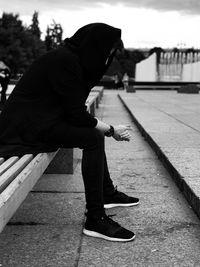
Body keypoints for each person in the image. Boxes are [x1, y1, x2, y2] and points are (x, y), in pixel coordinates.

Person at [0, 23, 139, 242]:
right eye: (107, 52)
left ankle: (106, 193)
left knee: (91, 133)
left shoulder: (72, 59)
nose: (107, 59)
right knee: (93, 136)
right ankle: (95, 218)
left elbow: (74, 111)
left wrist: (104, 128)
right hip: (25, 129)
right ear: (96, 46)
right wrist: (111, 130)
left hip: (40, 121)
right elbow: (76, 115)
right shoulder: (64, 61)